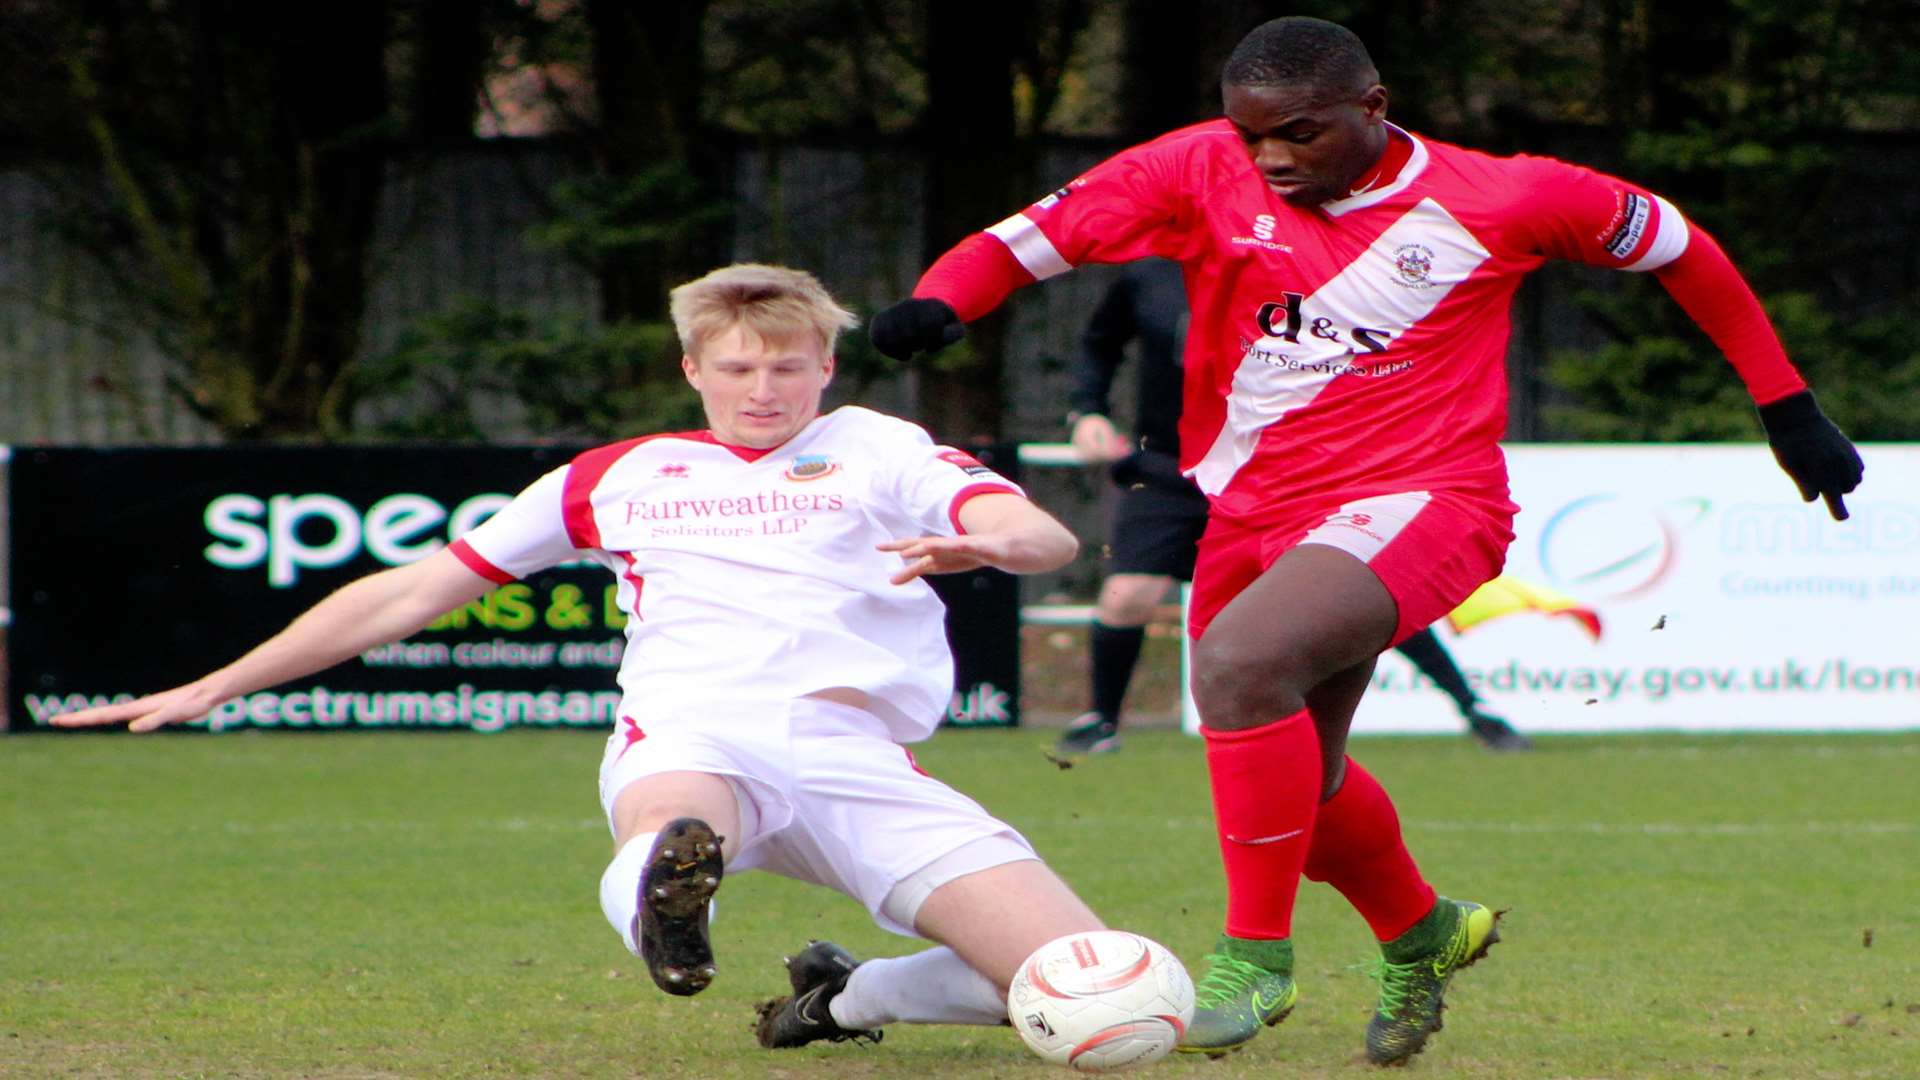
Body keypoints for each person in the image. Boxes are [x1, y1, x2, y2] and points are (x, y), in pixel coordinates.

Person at [870, 17, 1863, 1066]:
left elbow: (1681, 245)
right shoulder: (1195, 167)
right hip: (1248, 511)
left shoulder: (1508, 196)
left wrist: (1787, 408)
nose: (1269, 158)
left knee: (1242, 666)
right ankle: (1425, 930)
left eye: (1297, 133)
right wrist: (943, 299)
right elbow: (1030, 240)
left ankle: (1253, 963)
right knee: (1303, 781)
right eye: (1250, 136)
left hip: (1428, 497)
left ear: (1373, 107)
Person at [53, 263, 1113, 1054]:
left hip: (854, 756)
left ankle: (844, 998)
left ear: (825, 367)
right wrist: (225, 679)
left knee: (1079, 980)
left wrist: (996, 542)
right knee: (678, 820)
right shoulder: (615, 477)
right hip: (698, 729)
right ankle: (666, 889)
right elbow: (418, 590)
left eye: (789, 367)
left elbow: (1037, 534)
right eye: (737, 367)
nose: (763, 389)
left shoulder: (876, 447)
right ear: (692, 367)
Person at [1056, 257, 1529, 756]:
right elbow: (1099, 342)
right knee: (1127, 595)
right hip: (1174, 467)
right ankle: (1101, 721)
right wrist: (1087, 410)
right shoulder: (1151, 274)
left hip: (1289, 469)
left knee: (1349, 589)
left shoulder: (1298, 264)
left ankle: (1472, 706)